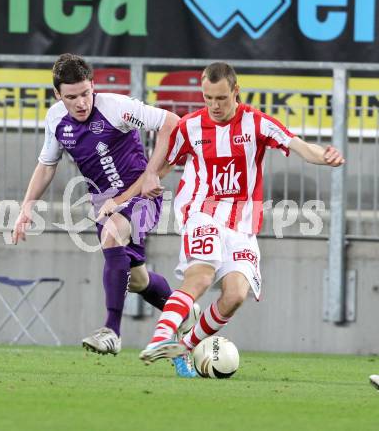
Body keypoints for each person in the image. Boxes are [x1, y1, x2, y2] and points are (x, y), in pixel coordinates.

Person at [138, 61, 345, 363]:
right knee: (201, 276)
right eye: (208, 98)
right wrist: (151, 178)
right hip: (201, 212)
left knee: (235, 295)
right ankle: (159, 339)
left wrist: (324, 157)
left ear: (236, 92)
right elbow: (165, 163)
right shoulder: (190, 126)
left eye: (221, 98)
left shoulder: (257, 123)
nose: (214, 105)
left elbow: (298, 145)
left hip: (241, 224)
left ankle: (183, 346)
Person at [12, 53, 199, 377]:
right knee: (138, 280)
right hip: (106, 205)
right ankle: (186, 312)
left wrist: (153, 172)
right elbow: (47, 164)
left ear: (93, 86)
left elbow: (170, 123)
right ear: (58, 95)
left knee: (112, 233)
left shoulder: (116, 107)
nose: (81, 102)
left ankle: (111, 331)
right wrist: (27, 207)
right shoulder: (56, 120)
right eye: (71, 97)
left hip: (141, 197)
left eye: (85, 93)